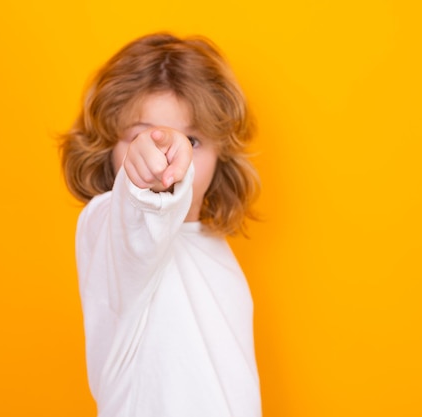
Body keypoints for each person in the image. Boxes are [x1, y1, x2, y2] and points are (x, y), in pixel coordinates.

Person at [60, 32, 262, 417]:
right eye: (141, 137)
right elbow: (141, 216)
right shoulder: (106, 227)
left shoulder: (213, 248)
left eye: (192, 140)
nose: (168, 154)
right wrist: (140, 181)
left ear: (223, 153)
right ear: (110, 148)